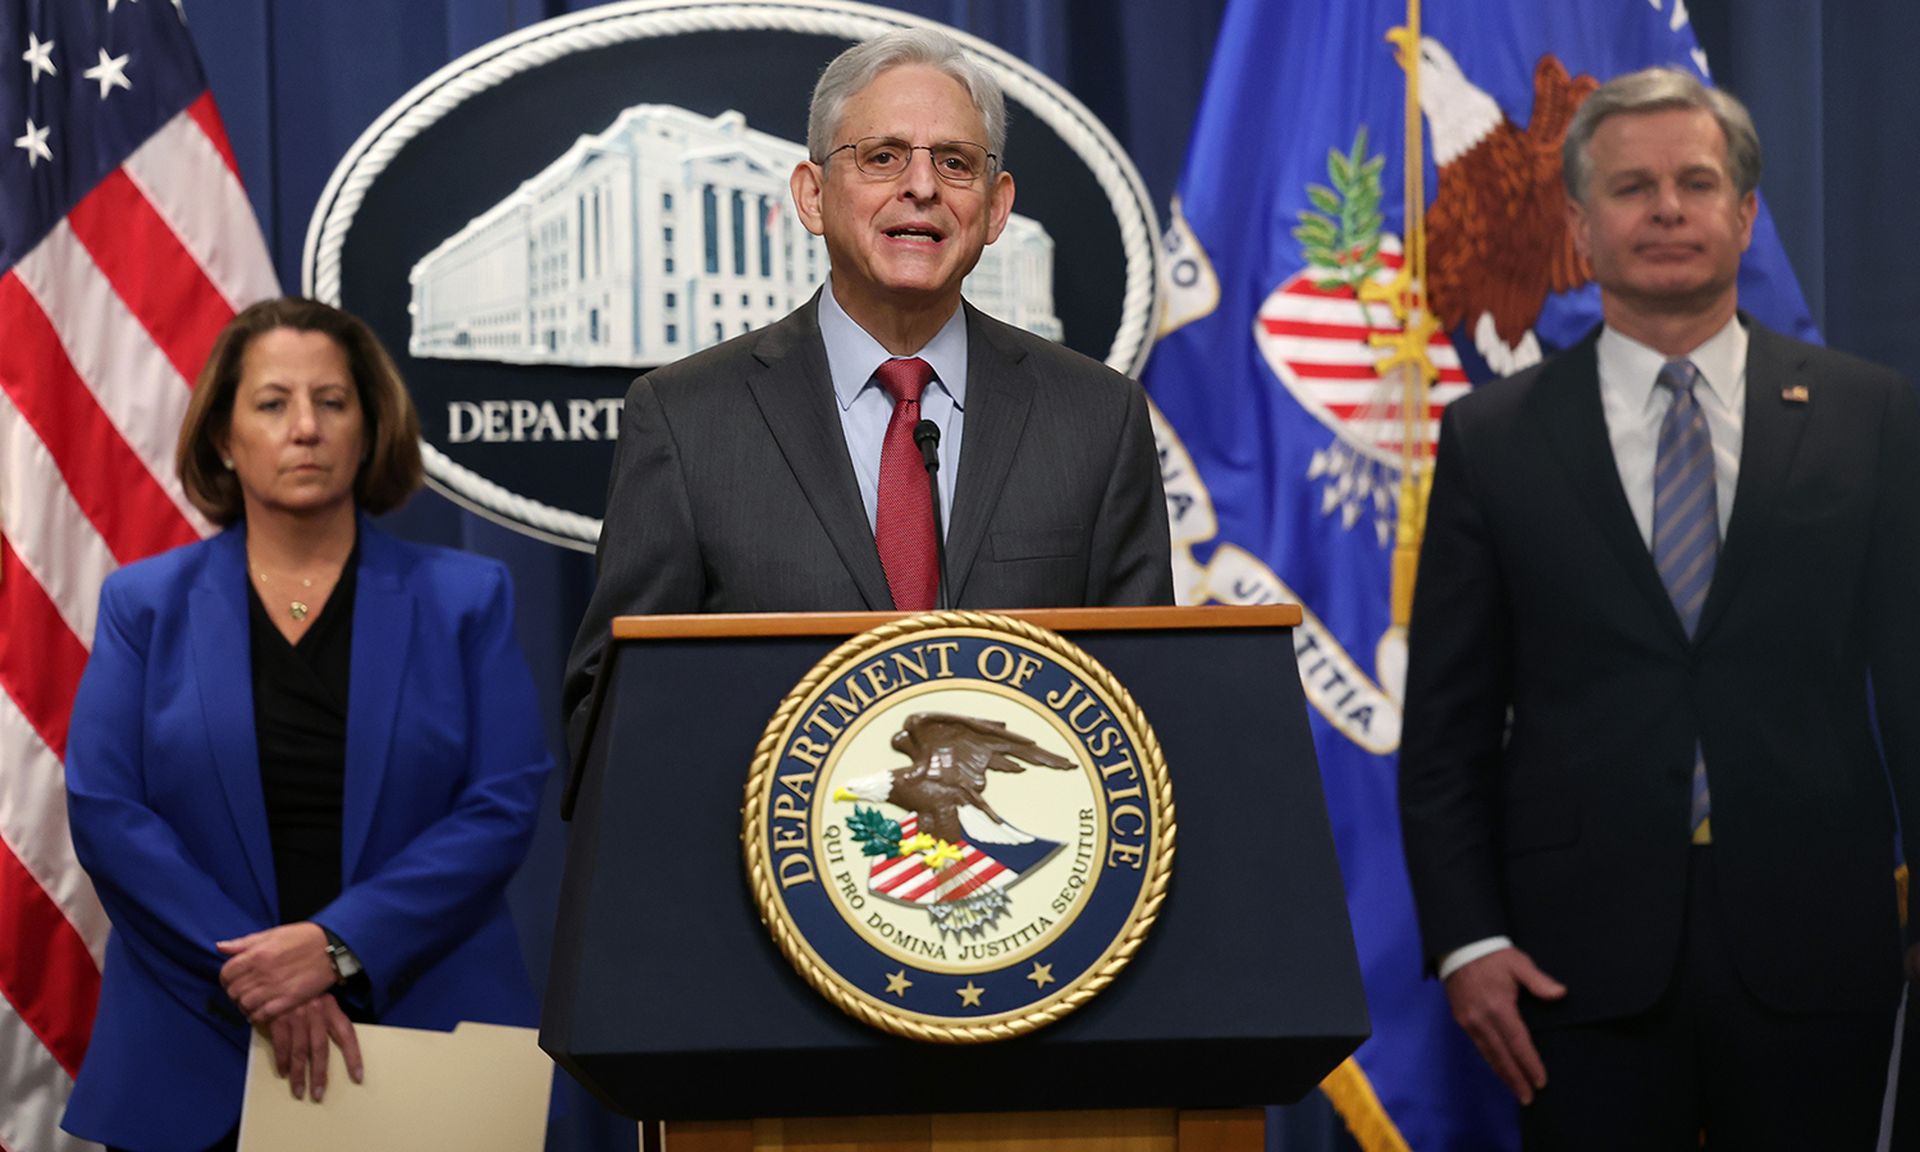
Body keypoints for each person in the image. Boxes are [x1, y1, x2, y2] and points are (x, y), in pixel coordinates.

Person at [1399, 66, 1920, 1149]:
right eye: (1633, 187)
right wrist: (1465, 942)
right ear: (1581, 227)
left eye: (1696, 181)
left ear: (1747, 213)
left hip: (1823, 944)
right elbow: (1447, 730)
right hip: (1570, 970)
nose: (1668, 209)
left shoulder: (1868, 416)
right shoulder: (1493, 438)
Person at [562, 28, 1173, 750]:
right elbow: (610, 718)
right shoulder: (687, 422)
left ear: (996, 206)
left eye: (955, 162)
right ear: (813, 196)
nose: (921, 187)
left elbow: (1146, 704)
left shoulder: (1096, 419)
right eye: (882, 157)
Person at [61, 298, 552, 1151]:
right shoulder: (143, 605)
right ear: (222, 435)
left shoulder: (466, 598)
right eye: (272, 403)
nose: (306, 428)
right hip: (193, 1043)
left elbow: (502, 804)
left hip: (417, 1037)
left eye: (332, 402)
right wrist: (263, 975)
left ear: (369, 429)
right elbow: (108, 811)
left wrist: (337, 947)